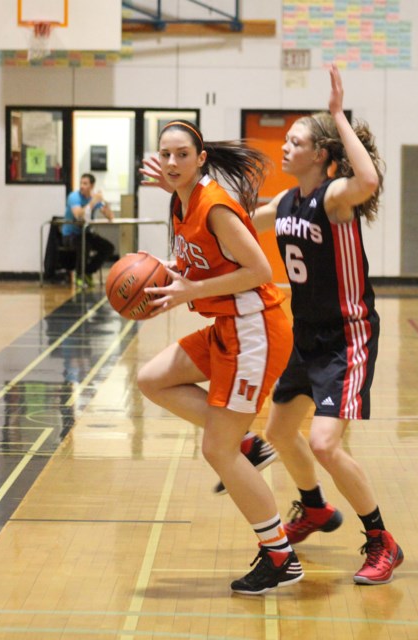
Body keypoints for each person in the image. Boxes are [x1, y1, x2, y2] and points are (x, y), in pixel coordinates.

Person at [250, 64, 404, 586]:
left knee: (323, 444)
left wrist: (337, 114)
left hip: (347, 335)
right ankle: (314, 509)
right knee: (277, 432)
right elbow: (235, 224)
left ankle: (382, 539)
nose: (284, 148)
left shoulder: (335, 198)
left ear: (320, 153)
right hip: (306, 337)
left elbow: (369, 180)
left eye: (294, 142)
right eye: (285, 141)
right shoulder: (285, 202)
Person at [136, 120, 302, 595]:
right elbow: (201, 262)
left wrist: (192, 289)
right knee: (152, 379)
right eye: (165, 155)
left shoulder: (215, 206)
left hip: (256, 331)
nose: (171, 163)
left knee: (215, 449)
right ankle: (247, 444)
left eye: (181, 155)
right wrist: (162, 272)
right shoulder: (179, 200)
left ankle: (280, 558)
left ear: (201, 157)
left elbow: (259, 269)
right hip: (228, 326)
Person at [62, 173, 115, 287]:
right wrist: (92, 203)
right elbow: (78, 215)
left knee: (108, 247)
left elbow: (110, 216)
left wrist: (104, 202)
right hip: (71, 234)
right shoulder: (74, 197)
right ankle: (80, 275)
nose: (82, 186)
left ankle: (89, 271)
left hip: (86, 233)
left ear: (91, 186)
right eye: (81, 183)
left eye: (85, 184)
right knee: (84, 244)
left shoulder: (94, 198)